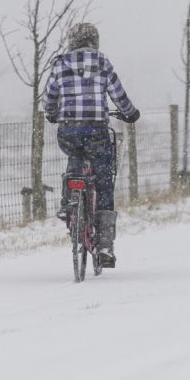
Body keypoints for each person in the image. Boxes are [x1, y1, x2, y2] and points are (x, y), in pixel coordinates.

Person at [44, 23, 140, 268]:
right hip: (97, 130)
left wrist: (52, 113)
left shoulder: (59, 63)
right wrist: (130, 113)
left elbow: (49, 97)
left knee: (75, 158)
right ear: (94, 41)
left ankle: (69, 203)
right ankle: (105, 245)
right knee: (104, 179)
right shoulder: (102, 62)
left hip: (68, 130)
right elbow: (118, 95)